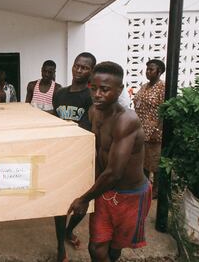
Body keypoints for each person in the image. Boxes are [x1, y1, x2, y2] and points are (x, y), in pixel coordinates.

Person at [67, 61, 151, 262]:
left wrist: (84, 198)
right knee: (96, 247)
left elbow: (115, 172)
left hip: (130, 195)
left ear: (119, 89)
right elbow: (94, 151)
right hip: (105, 191)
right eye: (93, 88)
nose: (97, 94)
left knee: (115, 248)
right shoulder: (93, 112)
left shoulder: (126, 121)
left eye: (104, 90)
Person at [52, 52, 95, 262]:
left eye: (85, 67)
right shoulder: (59, 93)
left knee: (81, 205)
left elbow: (90, 126)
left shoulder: (91, 96)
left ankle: (69, 231)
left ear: (91, 72)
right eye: (77, 66)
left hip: (82, 157)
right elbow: (56, 117)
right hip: (60, 155)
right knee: (59, 205)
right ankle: (60, 246)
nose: (79, 70)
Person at [133, 59, 165, 199]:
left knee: (155, 163)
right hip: (141, 130)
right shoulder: (144, 86)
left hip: (154, 133)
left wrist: (157, 130)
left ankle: (157, 190)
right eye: (147, 69)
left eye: (151, 69)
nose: (148, 72)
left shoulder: (162, 88)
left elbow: (164, 112)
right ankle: (145, 187)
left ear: (159, 72)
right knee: (143, 161)